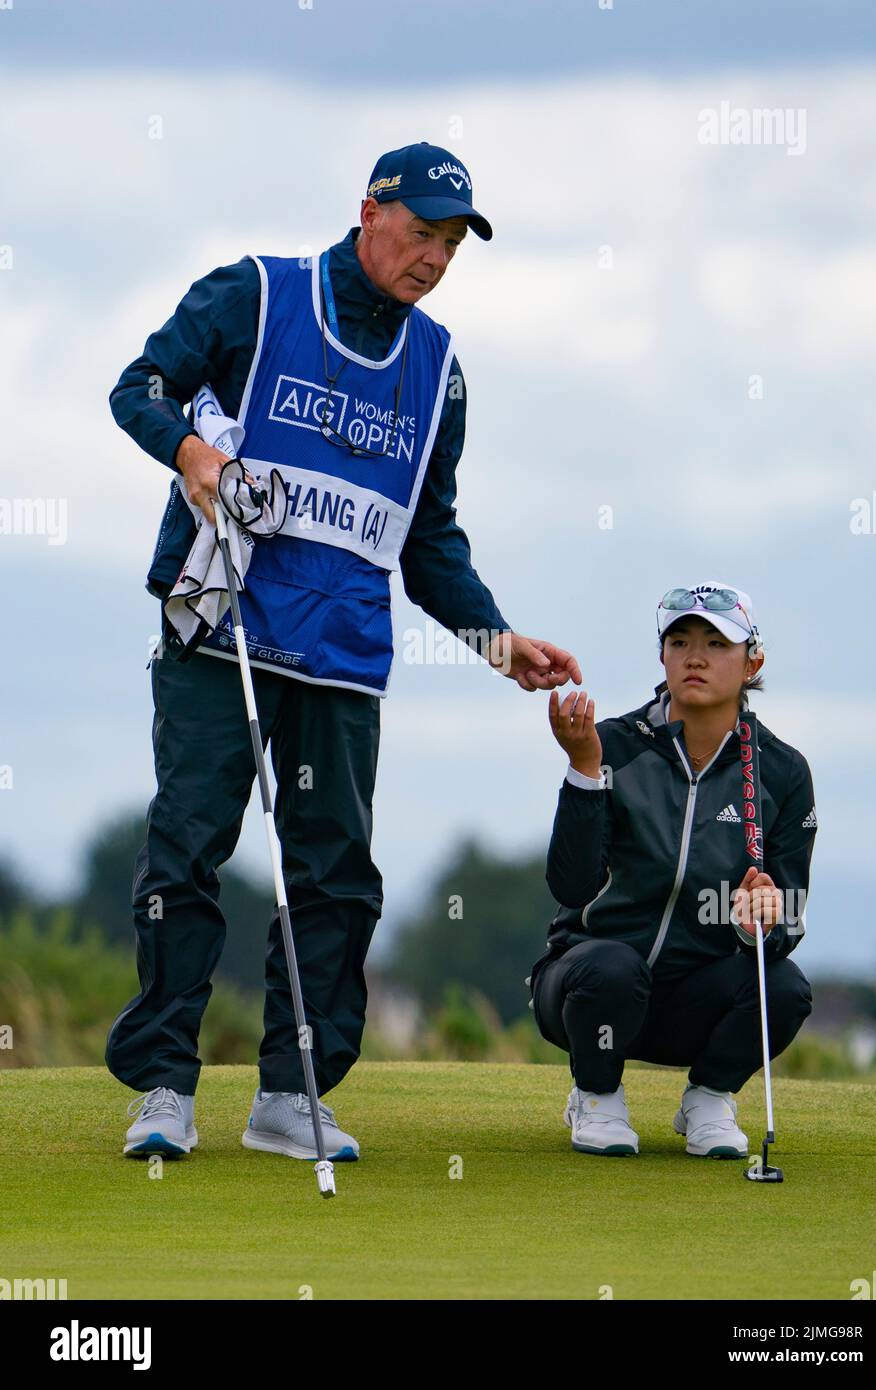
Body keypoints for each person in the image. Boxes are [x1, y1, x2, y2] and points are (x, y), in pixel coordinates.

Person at [107, 141, 582, 1160]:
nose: (434, 260)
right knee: (189, 849)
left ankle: (294, 1090)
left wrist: (497, 640)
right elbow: (137, 386)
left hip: (341, 654)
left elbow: (428, 541)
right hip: (219, 627)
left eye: (452, 246)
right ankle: (163, 1082)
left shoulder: (437, 371)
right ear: (368, 211)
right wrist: (189, 452)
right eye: (421, 235)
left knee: (335, 878)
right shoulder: (254, 295)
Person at [528, 581, 815, 1159]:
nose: (696, 656)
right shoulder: (611, 743)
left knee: (784, 988)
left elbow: (786, 920)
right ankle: (597, 1095)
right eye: (680, 641)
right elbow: (571, 885)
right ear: (662, 656)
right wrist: (584, 770)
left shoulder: (781, 773)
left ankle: (709, 1099)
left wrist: (760, 918)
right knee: (611, 966)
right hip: (590, 988)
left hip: (694, 1002)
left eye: (717, 642)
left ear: (752, 660)